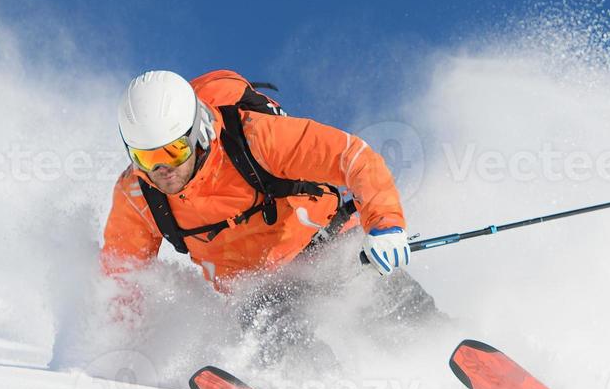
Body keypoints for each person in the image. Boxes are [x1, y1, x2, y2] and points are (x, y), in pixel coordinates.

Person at [100, 69, 439, 372]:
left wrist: (386, 225)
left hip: (327, 246)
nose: (162, 170)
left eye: (174, 152)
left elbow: (354, 158)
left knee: (395, 311)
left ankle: (455, 360)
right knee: (276, 340)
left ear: (197, 133)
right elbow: (123, 277)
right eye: (146, 157)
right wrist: (118, 351)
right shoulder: (138, 196)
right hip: (260, 293)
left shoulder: (255, 137)